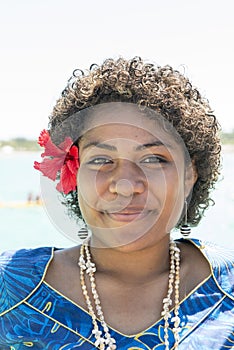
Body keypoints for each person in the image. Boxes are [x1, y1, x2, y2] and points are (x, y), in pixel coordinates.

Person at [0, 57, 233, 350]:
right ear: (72, 171)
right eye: (101, 160)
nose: (125, 185)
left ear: (190, 174)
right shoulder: (10, 287)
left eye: (153, 159)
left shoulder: (229, 290)